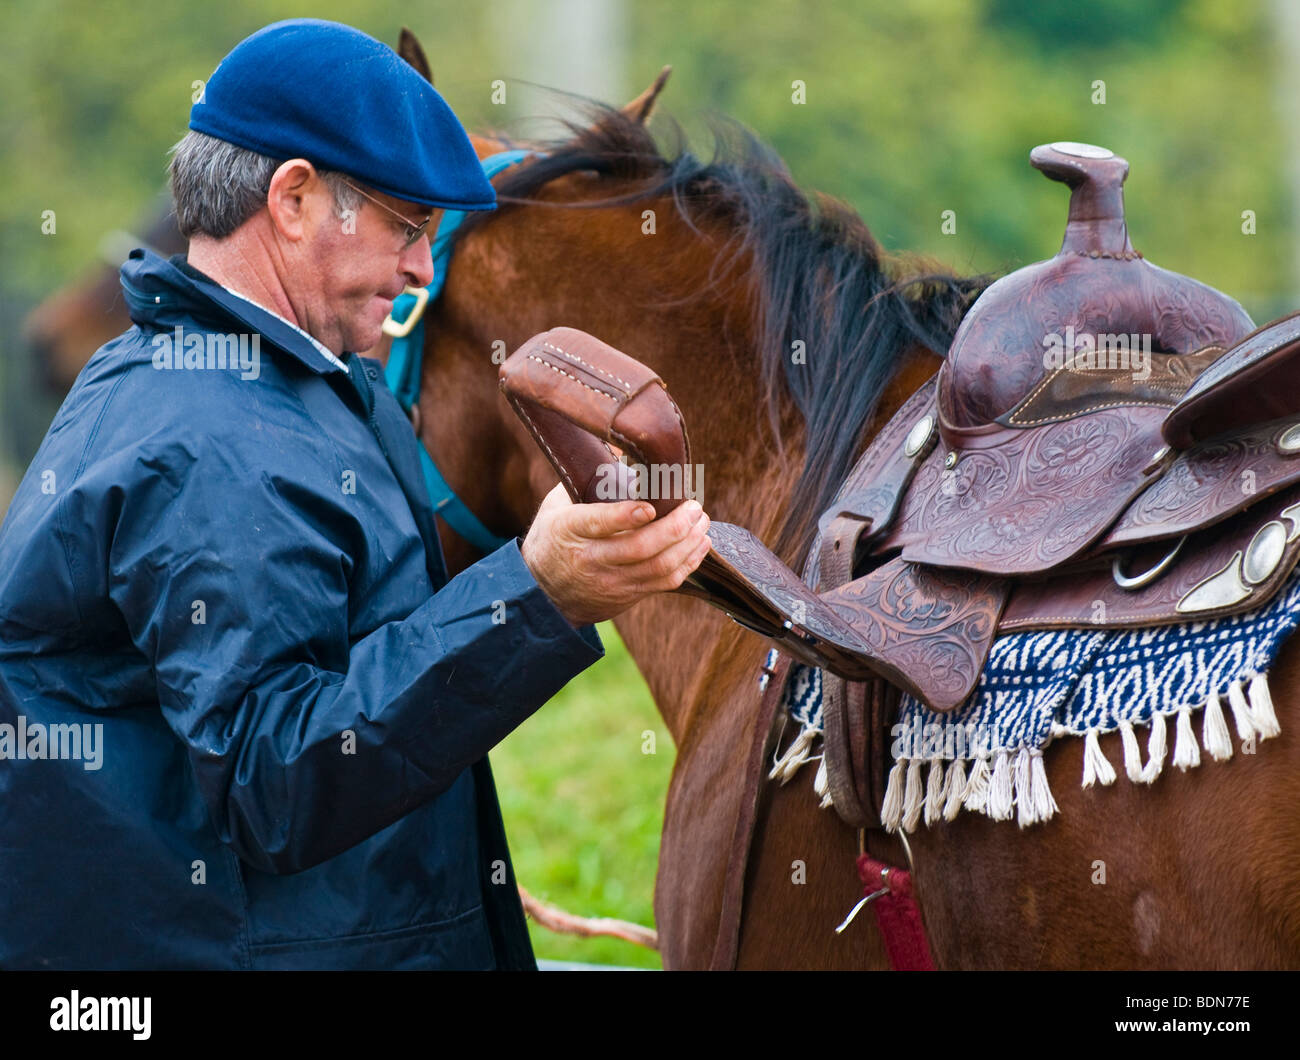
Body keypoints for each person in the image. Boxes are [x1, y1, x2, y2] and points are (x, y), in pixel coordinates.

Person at [0, 18, 711, 970]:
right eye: (408, 226)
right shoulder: (217, 442)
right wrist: (537, 594)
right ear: (294, 200)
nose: (424, 268)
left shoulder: (207, 383)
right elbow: (279, 781)